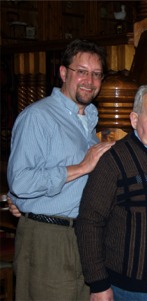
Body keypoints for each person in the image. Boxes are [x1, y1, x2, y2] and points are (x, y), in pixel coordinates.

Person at [7, 39, 115, 301]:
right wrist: (81, 167)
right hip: (49, 239)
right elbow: (20, 182)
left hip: (85, 238)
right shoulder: (38, 116)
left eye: (96, 74)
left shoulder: (89, 121)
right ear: (64, 73)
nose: (89, 80)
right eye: (81, 71)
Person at [75, 84, 147, 301]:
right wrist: (98, 283)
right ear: (134, 119)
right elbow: (89, 222)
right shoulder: (114, 161)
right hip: (132, 289)